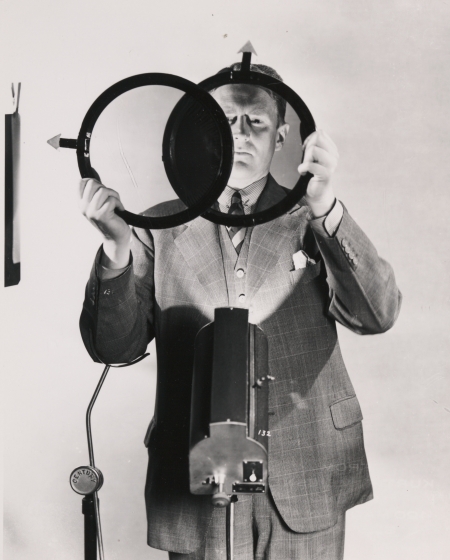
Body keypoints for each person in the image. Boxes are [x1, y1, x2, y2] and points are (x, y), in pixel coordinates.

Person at [79, 63, 402, 559]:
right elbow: (112, 346)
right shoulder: (157, 225)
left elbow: (377, 313)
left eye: (256, 121)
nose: (241, 134)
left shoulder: (311, 217)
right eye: (227, 120)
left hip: (305, 471)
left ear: (282, 135)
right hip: (196, 472)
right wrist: (118, 248)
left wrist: (326, 206)